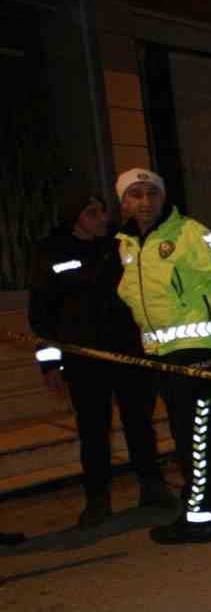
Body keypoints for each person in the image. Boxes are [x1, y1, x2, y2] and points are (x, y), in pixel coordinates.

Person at [29, 185, 176, 528]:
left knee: (140, 423)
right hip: (83, 359)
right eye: (92, 213)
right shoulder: (52, 252)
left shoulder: (119, 246)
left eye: (103, 211)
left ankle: (151, 486)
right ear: (74, 218)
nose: (102, 219)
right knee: (93, 430)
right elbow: (41, 314)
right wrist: (50, 364)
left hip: (128, 353)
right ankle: (97, 498)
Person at [115, 169, 211, 544]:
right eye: (136, 194)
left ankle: (198, 518)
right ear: (123, 202)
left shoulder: (189, 233)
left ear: (163, 197)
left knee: (192, 438)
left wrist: (208, 324)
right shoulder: (127, 244)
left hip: (198, 352)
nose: (145, 202)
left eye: (152, 193)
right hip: (163, 353)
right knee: (193, 434)